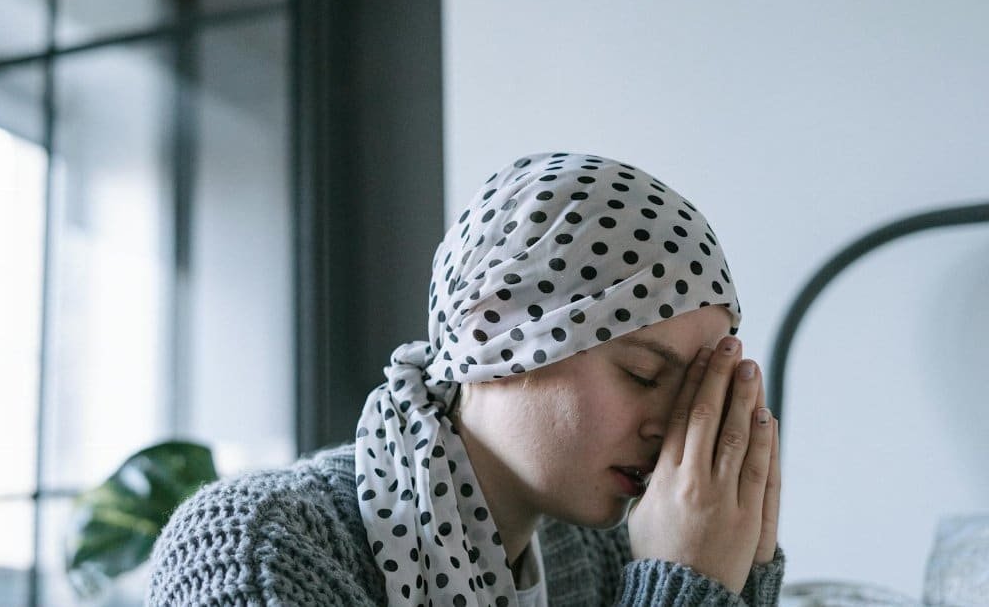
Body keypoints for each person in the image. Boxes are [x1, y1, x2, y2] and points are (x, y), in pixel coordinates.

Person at [146, 152, 784, 606]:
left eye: (694, 394)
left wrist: (736, 567)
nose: (669, 429)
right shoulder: (261, 548)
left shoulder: (607, 557)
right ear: (491, 332)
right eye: (644, 374)